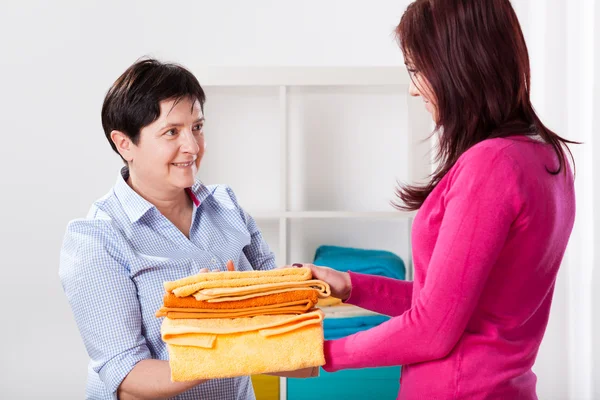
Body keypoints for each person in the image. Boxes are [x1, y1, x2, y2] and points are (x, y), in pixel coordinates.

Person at [290, 1, 576, 399]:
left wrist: (319, 352)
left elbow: (432, 329)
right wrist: (351, 285)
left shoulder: (490, 165)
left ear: (459, 63)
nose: (412, 87)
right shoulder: (547, 159)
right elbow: (450, 304)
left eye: (416, 69)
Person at [59, 58, 276, 400]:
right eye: (171, 132)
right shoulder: (98, 238)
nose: (192, 146)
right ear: (124, 144)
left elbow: (280, 322)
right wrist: (223, 338)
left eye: (197, 127)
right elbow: (126, 372)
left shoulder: (227, 207)